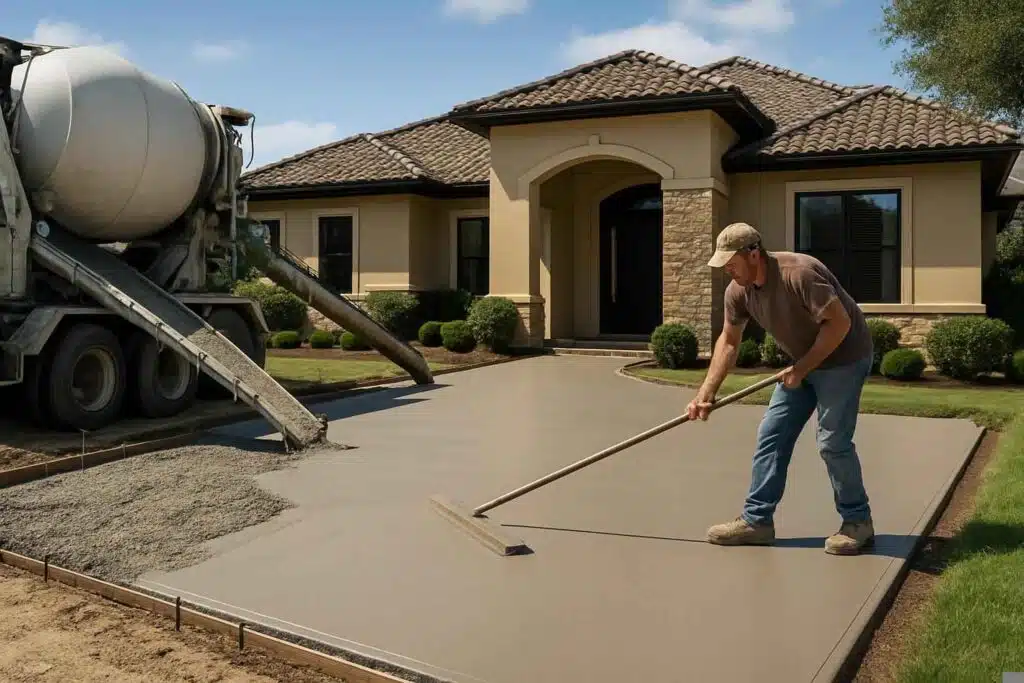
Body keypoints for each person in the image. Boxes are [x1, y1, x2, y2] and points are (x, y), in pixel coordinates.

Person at [688, 222, 876, 555]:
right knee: (771, 435)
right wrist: (706, 393)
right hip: (802, 362)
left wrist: (802, 368)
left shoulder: (799, 274)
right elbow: (729, 341)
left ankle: (857, 522)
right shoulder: (738, 290)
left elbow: (840, 324)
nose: (727, 270)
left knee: (832, 442)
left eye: (731, 262)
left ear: (754, 253)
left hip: (845, 357)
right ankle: (757, 521)